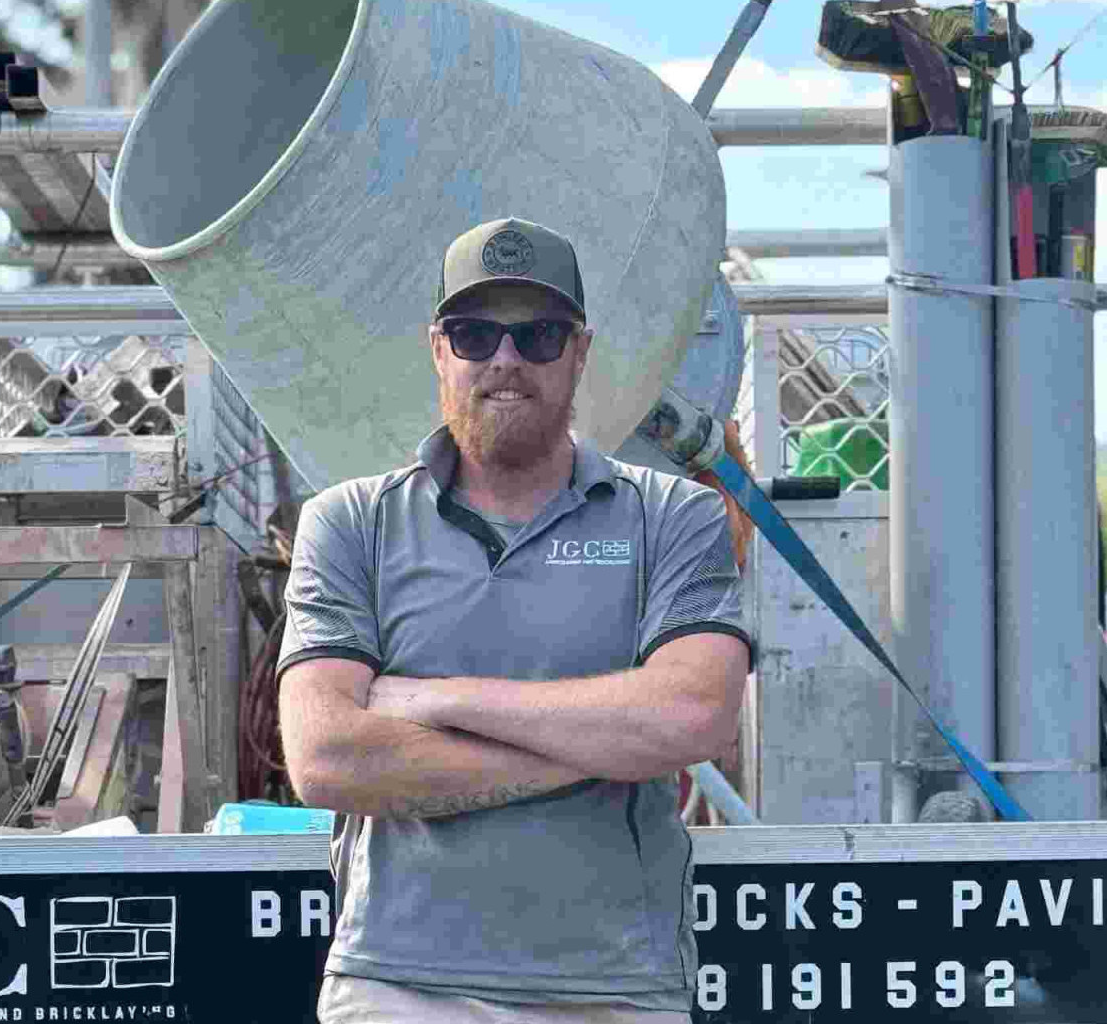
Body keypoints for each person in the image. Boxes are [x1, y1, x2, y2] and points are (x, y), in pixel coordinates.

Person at [277, 217, 752, 1024]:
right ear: (438, 350)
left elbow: (694, 716)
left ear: (580, 351)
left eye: (537, 335)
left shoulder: (676, 518)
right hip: (398, 987)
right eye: (474, 334)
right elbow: (327, 758)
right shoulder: (348, 524)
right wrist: (600, 747)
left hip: (618, 990)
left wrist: (436, 699)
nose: (504, 359)